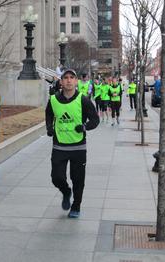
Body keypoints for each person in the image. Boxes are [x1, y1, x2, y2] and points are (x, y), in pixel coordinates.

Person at [45, 69, 99, 218]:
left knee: (78, 179)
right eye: (65, 78)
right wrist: (49, 128)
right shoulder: (54, 99)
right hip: (59, 146)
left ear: (76, 81)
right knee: (57, 178)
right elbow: (48, 113)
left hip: (78, 147)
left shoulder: (84, 100)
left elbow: (95, 120)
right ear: (61, 82)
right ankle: (66, 191)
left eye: (72, 78)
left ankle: (76, 206)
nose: (69, 80)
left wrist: (84, 127)